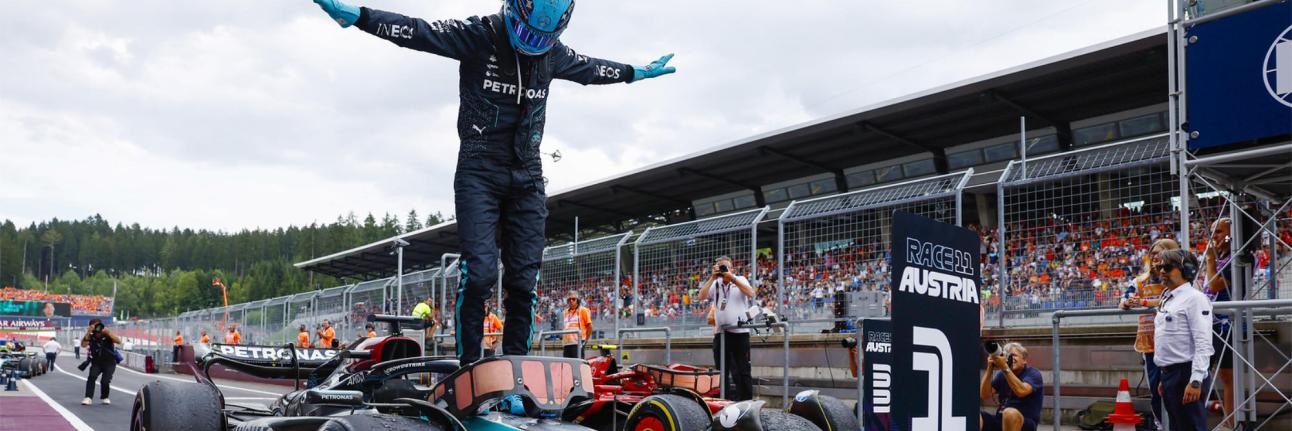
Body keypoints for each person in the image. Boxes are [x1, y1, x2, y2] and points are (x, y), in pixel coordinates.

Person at [308, 0, 675, 366]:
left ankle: (516, 374)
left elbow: (594, 69)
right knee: (480, 273)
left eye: (542, 37)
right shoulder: (479, 34)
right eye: (527, 32)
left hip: (528, 175)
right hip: (478, 170)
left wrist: (636, 72)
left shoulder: (554, 54)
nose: (533, 42)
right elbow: (419, 31)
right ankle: (469, 370)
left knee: (524, 282)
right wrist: (359, 17)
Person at [1120, 238, 1181, 430]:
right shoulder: (1140, 281)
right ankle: (1161, 425)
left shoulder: (1178, 280)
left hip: (1175, 343)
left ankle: (1176, 424)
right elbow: (1125, 299)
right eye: (1153, 252)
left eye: (1160, 252)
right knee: (1156, 389)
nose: (1155, 256)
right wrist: (1127, 303)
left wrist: (1144, 303)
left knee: (1174, 389)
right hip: (1150, 344)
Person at [1153, 249, 1213, 431]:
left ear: (1186, 270)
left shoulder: (1195, 299)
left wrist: (1195, 381)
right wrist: (1166, 376)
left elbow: (1203, 342)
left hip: (1186, 373)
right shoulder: (1168, 299)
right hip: (1171, 374)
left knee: (1192, 427)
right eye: (1160, 267)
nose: (1162, 271)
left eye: (1168, 267)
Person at [697, 256, 756, 401]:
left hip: (740, 333)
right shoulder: (715, 283)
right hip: (721, 334)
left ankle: (746, 402)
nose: (722, 270)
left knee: (743, 370)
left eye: (725, 267)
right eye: (720, 267)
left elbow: (751, 293)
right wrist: (712, 278)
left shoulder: (740, 279)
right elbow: (701, 296)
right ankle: (724, 401)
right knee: (721, 371)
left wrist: (732, 279)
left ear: (731, 268)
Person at [1201, 218, 1234, 430]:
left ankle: (1230, 423)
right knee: (1203, 371)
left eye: (1219, 232)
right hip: (1208, 323)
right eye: (1213, 232)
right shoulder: (1220, 258)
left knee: (1227, 376)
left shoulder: (1236, 259)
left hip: (1225, 324)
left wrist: (1211, 261)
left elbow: (1214, 286)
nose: (1215, 237)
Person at [979, 342, 1044, 431]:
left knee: (1009, 413)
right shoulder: (1002, 374)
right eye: (1008, 356)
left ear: (1024, 360)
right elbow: (984, 395)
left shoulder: (1033, 373)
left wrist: (1005, 368)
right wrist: (990, 367)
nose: (1011, 358)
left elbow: (1021, 391)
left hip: (1025, 422)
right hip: (1001, 419)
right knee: (976, 417)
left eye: (1014, 355)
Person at [80, 318, 121, 405]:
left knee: (105, 381)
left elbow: (118, 341)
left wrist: (109, 333)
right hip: (96, 361)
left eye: (99, 325)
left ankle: (105, 397)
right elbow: (83, 345)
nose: (97, 327)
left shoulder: (107, 334)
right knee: (92, 377)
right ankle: (88, 397)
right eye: (94, 325)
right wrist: (89, 331)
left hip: (109, 362)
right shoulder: (91, 335)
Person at [561, 292, 592, 359]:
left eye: (573, 299)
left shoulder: (583, 310)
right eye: (569, 299)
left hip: (578, 342)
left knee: (577, 364)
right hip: (567, 343)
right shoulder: (565, 312)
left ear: (577, 300)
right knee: (567, 365)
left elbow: (589, 326)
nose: (571, 301)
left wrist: (585, 340)